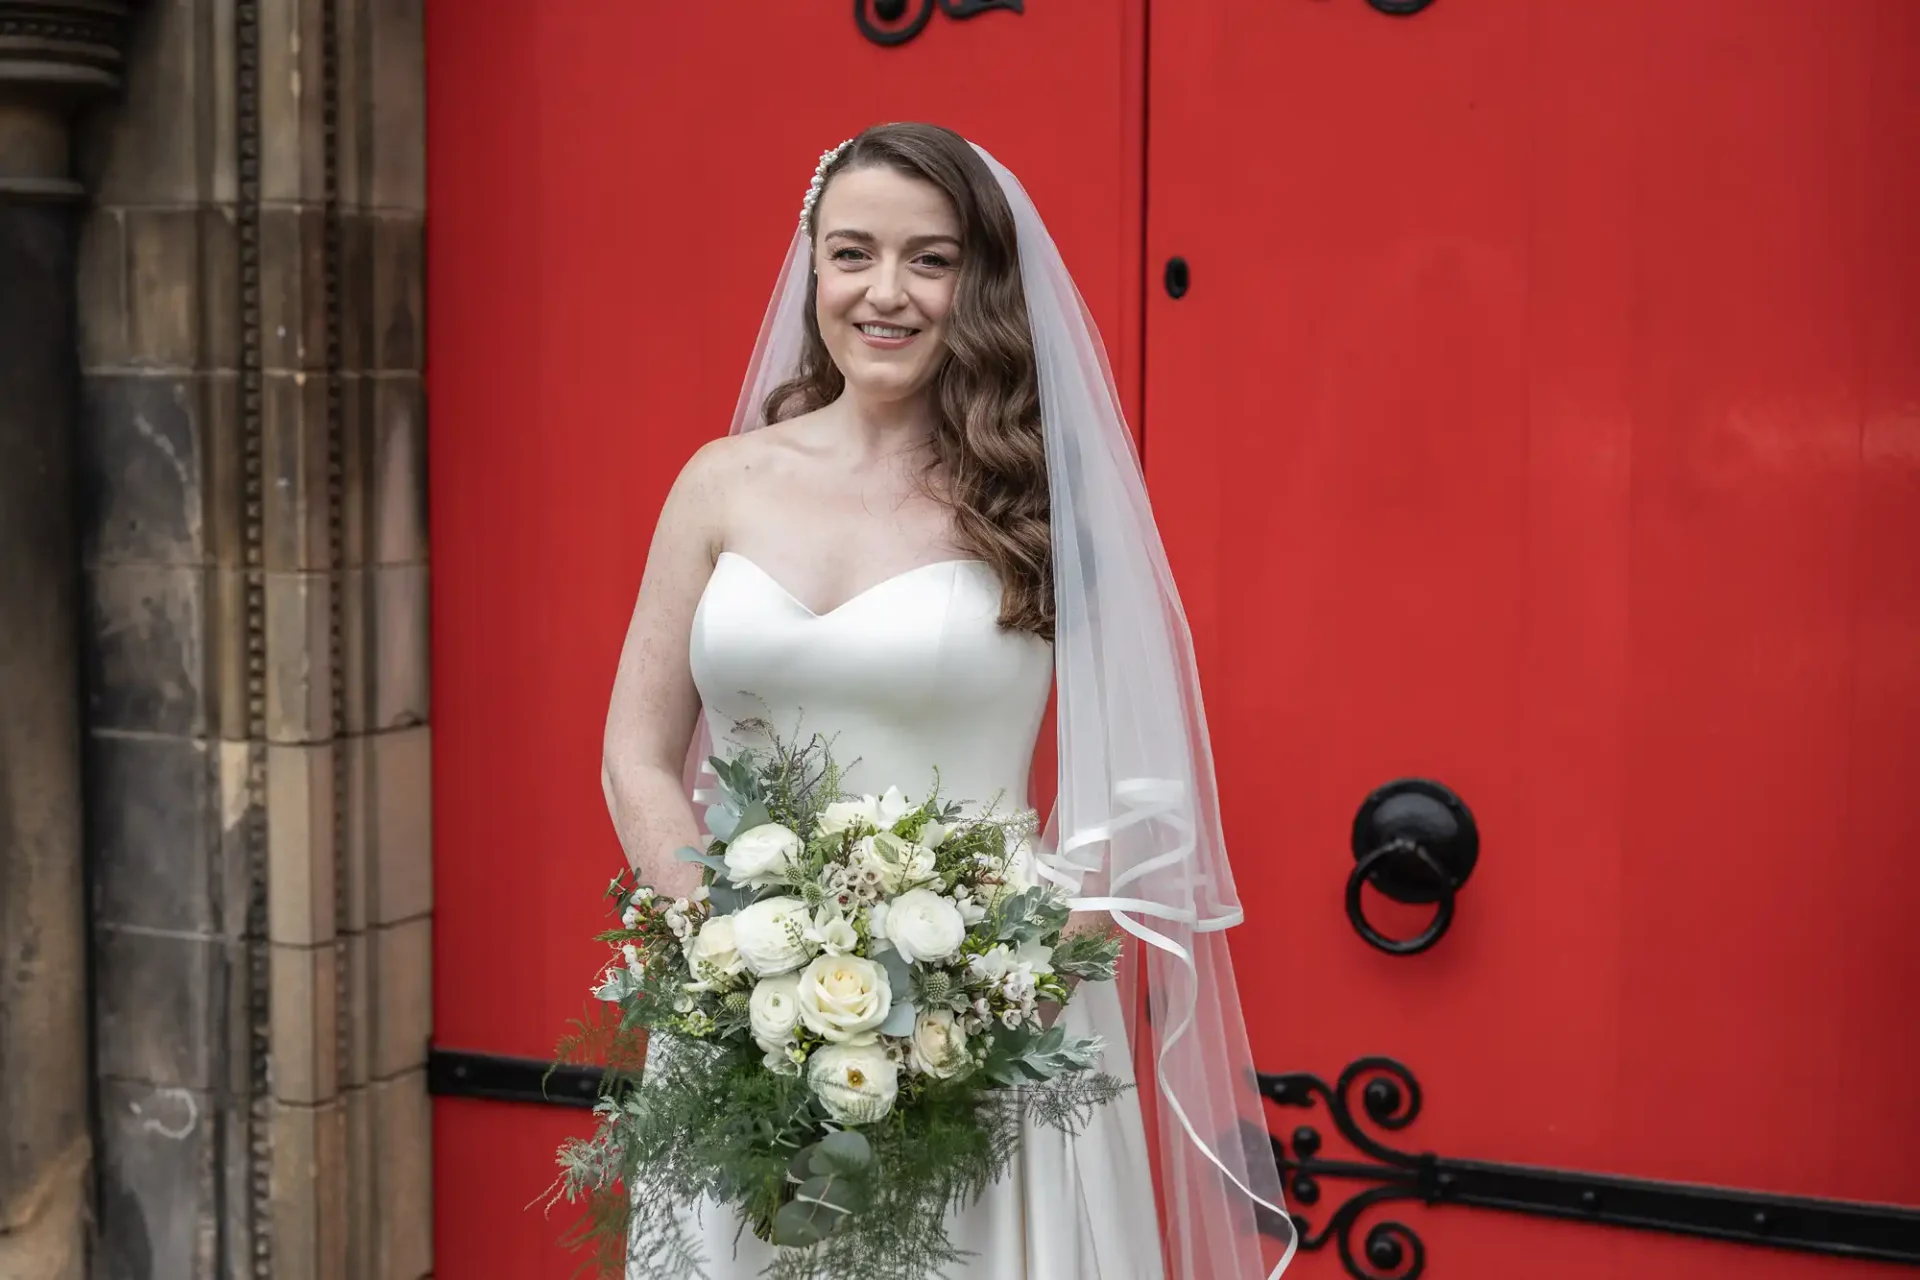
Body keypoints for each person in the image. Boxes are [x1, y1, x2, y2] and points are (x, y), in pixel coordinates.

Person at [601, 122, 1295, 1280]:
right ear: (812, 265)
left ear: (981, 281)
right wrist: (722, 952)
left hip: (983, 1036)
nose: (887, 292)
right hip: (746, 1024)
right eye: (852, 252)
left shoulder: (1037, 495)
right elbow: (637, 747)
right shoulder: (719, 483)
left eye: (930, 258)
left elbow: (1142, 787)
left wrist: (990, 996)